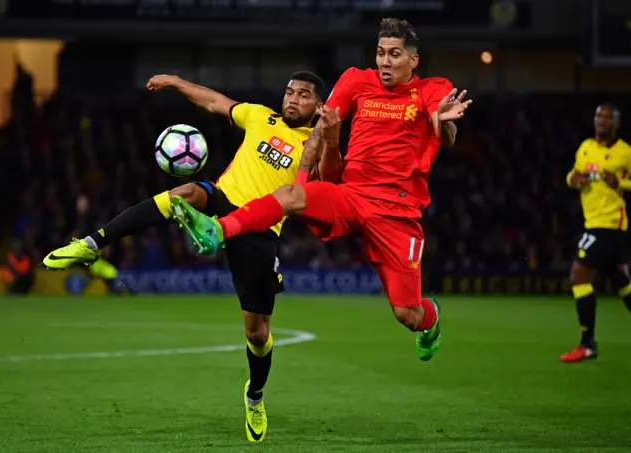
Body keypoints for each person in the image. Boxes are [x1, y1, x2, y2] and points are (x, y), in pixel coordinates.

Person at [42, 71, 326, 442]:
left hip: (261, 229)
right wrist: (176, 82)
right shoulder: (259, 116)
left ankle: (254, 396)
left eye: (303, 95)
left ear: (318, 105)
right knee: (187, 193)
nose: (293, 99)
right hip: (224, 198)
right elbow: (212, 101)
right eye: (289, 92)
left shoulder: (315, 146)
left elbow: (322, 183)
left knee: (257, 333)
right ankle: (92, 244)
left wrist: (327, 133)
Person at [169, 18, 471, 361]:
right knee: (289, 195)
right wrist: (300, 186)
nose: (385, 62)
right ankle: (216, 230)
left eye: (395, 55)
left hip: (396, 212)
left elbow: (443, 131)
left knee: (407, 315)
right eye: (381, 53)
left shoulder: (433, 89)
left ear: (413, 60)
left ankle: (429, 319)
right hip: (351, 194)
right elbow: (319, 132)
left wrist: (445, 125)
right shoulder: (356, 81)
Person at [561, 104, 631, 363]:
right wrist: (573, 179)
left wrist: (620, 183)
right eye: (598, 116)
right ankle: (587, 342)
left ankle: (587, 342)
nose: (602, 121)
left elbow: (625, 183)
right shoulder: (585, 147)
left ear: (616, 124)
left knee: (579, 274)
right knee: (622, 282)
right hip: (593, 221)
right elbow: (572, 175)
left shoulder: (625, 152)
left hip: (610, 224)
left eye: (608, 118)